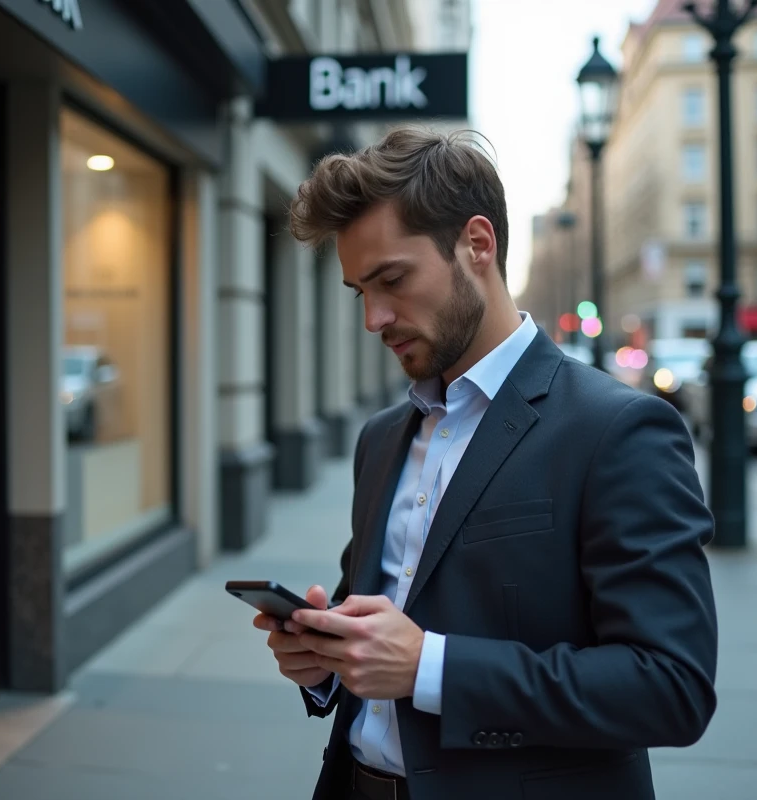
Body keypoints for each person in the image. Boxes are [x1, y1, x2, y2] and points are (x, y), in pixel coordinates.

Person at [251, 127, 718, 800]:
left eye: (392, 280)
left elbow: (670, 686)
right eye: (359, 292)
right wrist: (327, 661)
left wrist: (429, 668)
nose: (374, 318)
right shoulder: (381, 438)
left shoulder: (618, 429)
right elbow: (381, 634)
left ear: (477, 244)